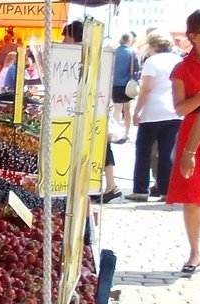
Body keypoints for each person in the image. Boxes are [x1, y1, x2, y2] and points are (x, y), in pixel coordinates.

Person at [64, 21, 121, 202]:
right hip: (94, 106)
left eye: (66, 36)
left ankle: (110, 186)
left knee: (98, 146)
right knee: (99, 146)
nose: (63, 40)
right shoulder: (92, 52)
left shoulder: (81, 54)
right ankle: (106, 185)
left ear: (73, 36)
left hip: (91, 108)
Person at [166, 10, 200, 274]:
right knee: (192, 198)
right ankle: (194, 252)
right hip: (191, 135)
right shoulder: (182, 68)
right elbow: (180, 109)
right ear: (193, 36)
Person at [129, 30, 181, 202]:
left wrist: (137, 110)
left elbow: (147, 89)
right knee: (167, 154)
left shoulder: (152, 61)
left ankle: (140, 190)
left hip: (152, 112)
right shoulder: (178, 60)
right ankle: (166, 190)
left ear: (152, 44)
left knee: (143, 151)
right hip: (174, 112)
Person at [111, 33, 141, 143]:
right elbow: (137, 69)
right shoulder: (132, 52)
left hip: (115, 84)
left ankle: (114, 133)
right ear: (130, 40)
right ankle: (126, 134)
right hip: (128, 85)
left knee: (116, 109)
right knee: (127, 109)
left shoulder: (114, 52)